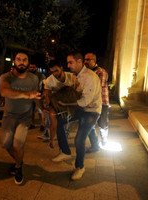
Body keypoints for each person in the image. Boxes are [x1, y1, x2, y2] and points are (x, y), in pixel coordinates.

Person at [52, 52, 102, 181]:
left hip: (91, 110)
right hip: (80, 108)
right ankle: (65, 151)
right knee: (60, 120)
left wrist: (66, 103)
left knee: (79, 139)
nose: (68, 65)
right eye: (67, 62)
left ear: (79, 61)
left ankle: (80, 167)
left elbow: (85, 101)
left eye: (70, 62)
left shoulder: (90, 77)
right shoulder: (76, 75)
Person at [0, 51, 41, 185]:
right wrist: (26, 94)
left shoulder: (34, 79)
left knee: (18, 145)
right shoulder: (6, 77)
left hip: (25, 116)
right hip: (9, 116)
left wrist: (41, 108)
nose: (21, 62)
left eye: (24, 60)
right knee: (6, 144)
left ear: (28, 63)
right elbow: (4, 91)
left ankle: (18, 168)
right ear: (14, 62)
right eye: (18, 59)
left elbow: (35, 97)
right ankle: (19, 160)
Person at [41, 60, 79, 148]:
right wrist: (48, 105)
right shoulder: (49, 80)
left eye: (56, 70)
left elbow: (77, 91)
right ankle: (51, 140)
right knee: (53, 121)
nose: (54, 73)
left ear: (61, 68)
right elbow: (47, 94)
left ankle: (66, 141)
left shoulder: (71, 77)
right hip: (56, 103)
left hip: (70, 103)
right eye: (52, 71)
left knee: (68, 125)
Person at [84, 52, 111, 149]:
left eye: (88, 59)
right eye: (85, 59)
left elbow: (97, 88)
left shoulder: (101, 72)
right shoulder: (86, 73)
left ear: (94, 61)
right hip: (90, 103)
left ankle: (104, 140)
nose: (85, 61)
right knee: (89, 124)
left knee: (102, 124)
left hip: (102, 102)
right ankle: (95, 145)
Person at [28, 64, 46, 131]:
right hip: (29, 94)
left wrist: (43, 93)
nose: (32, 68)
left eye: (33, 67)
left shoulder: (41, 75)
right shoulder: (27, 75)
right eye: (30, 67)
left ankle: (42, 124)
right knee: (31, 110)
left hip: (38, 94)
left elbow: (44, 84)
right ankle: (32, 123)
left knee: (40, 110)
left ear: (36, 68)